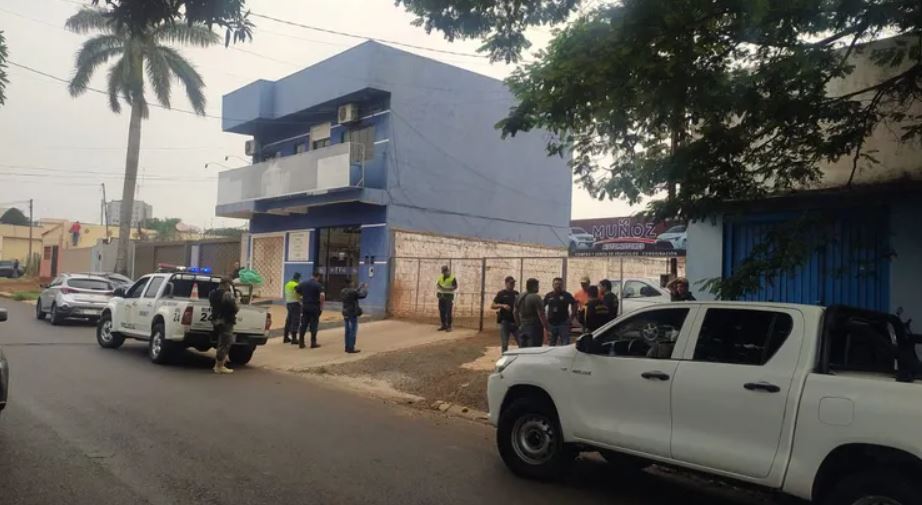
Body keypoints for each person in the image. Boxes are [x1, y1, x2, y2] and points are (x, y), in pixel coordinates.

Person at [208, 277, 239, 374]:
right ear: (226, 284)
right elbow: (235, 308)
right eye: (229, 285)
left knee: (221, 342)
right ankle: (219, 365)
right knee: (225, 343)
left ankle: (219, 364)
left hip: (216, 320)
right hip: (226, 320)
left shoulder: (212, 293)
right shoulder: (227, 295)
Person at [515, 278, 548, 348]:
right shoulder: (536, 297)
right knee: (534, 349)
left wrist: (519, 324)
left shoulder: (519, 296)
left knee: (522, 349)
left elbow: (515, 312)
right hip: (534, 327)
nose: (538, 288)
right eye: (537, 286)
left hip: (523, 325)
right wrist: (546, 327)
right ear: (533, 286)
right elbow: (541, 314)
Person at [544, 277, 577, 346]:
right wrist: (545, 321)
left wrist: (571, 318)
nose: (558, 286)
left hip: (563, 323)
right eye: (556, 284)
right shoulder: (548, 295)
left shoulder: (566, 295)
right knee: (551, 344)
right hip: (552, 324)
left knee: (565, 344)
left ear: (562, 285)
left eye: (560, 284)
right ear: (553, 285)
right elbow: (541, 307)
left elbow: (574, 304)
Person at [296, 272, 325, 349]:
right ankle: (313, 342)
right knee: (314, 324)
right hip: (314, 306)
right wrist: (321, 307)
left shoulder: (303, 283)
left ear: (311, 276)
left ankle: (301, 343)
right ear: (318, 277)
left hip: (305, 306)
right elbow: (322, 296)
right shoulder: (318, 285)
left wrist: (302, 298)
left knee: (304, 324)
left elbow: (297, 290)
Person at [491, 276, 519, 352]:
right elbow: (493, 305)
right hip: (505, 322)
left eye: (513, 283)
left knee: (521, 342)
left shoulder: (516, 294)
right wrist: (502, 305)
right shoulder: (501, 293)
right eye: (511, 283)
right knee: (504, 343)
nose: (513, 285)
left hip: (515, 322)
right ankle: (504, 359)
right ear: (506, 283)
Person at [340, 279, 368, 354]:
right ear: (350, 284)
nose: (353, 284)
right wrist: (365, 288)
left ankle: (346, 347)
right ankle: (351, 347)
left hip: (345, 312)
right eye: (352, 283)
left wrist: (360, 287)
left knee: (347, 331)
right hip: (352, 312)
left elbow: (354, 292)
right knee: (353, 330)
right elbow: (362, 295)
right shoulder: (352, 292)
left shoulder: (343, 291)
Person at [436, 265, 458, 332]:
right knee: (442, 311)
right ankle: (443, 325)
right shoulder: (440, 277)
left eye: (445, 272)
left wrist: (447, 289)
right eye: (443, 272)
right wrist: (440, 288)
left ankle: (449, 326)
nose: (444, 273)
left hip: (448, 297)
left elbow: (455, 286)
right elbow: (437, 284)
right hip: (441, 296)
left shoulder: (452, 278)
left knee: (448, 311)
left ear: (448, 271)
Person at [283, 272, 303, 344]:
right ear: (298, 278)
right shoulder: (295, 285)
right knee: (295, 320)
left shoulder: (287, 284)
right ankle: (294, 339)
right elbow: (299, 293)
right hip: (295, 304)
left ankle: (285, 337)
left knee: (289, 320)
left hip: (288, 303)